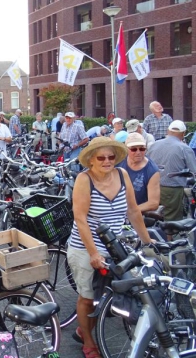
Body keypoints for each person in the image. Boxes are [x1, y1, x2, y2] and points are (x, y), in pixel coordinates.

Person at [67, 138, 152, 358]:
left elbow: (133, 212)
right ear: (91, 160)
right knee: (87, 297)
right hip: (85, 247)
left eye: (111, 157)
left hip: (115, 248)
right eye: (101, 157)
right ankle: (88, 341)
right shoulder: (84, 179)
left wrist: (148, 243)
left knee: (106, 297)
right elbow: (80, 218)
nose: (107, 161)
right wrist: (94, 252)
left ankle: (83, 328)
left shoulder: (122, 175)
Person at [147, 120, 196, 221]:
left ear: (168, 131)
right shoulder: (184, 148)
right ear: (183, 134)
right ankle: (169, 237)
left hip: (152, 186)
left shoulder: (154, 145)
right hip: (172, 187)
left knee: (152, 217)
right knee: (171, 219)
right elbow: (193, 170)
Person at [117, 133, 160, 213]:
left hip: (138, 213)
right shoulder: (119, 162)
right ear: (126, 149)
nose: (138, 152)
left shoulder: (152, 170)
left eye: (142, 149)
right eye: (133, 149)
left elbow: (153, 203)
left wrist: (129, 211)